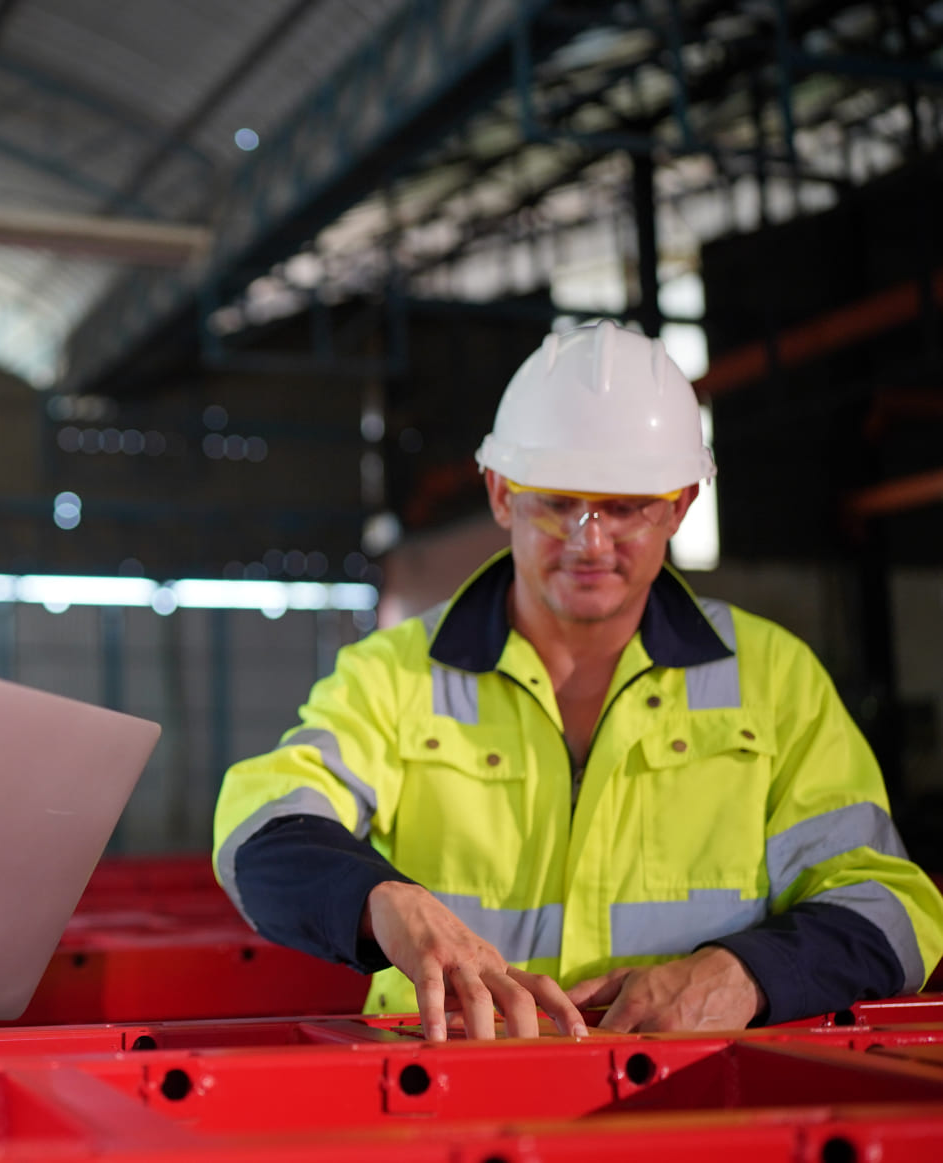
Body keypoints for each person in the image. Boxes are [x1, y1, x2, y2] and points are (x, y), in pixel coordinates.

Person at [213, 320, 943, 1041]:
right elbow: (262, 831)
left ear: (680, 505)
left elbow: (892, 908)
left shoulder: (773, 678)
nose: (590, 541)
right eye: (558, 502)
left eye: (624, 507)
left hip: (688, 1114)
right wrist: (381, 900)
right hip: (441, 1101)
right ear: (501, 494)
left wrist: (744, 973)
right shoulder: (393, 675)